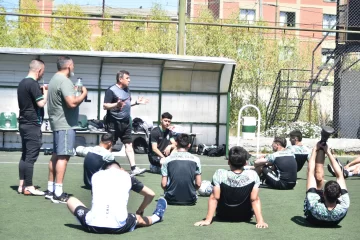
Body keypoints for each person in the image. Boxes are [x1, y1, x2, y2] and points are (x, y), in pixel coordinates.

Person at [67, 161, 167, 234]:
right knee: (139, 219)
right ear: (121, 169)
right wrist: (140, 210)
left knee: (71, 200)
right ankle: (157, 216)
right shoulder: (127, 176)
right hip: (118, 227)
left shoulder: (96, 175)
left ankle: (93, 215)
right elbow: (150, 194)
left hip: (92, 225)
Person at [45, 56, 88, 203]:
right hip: (65, 125)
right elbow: (71, 103)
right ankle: (58, 192)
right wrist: (83, 94)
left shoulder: (54, 79)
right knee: (63, 157)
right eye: (73, 65)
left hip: (58, 123)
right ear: (69, 66)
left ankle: (50, 189)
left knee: (56, 156)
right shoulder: (64, 81)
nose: (74, 68)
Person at [194, 146, 268, 228]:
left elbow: (214, 198)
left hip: (222, 216)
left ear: (228, 162)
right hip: (245, 217)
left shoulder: (220, 173)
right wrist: (260, 221)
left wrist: (207, 220)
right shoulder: (253, 175)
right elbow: (254, 199)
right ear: (245, 163)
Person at [103, 70, 148, 176]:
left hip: (126, 122)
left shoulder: (127, 90)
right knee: (110, 145)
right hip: (113, 122)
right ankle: (107, 168)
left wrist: (137, 102)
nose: (129, 80)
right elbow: (105, 105)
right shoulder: (111, 90)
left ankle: (134, 168)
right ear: (120, 79)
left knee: (129, 144)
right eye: (127, 78)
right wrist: (116, 105)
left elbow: (126, 104)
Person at [17, 59, 47, 195]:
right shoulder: (33, 84)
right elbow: (40, 104)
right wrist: (45, 92)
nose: (42, 75)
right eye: (43, 72)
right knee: (31, 156)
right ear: (39, 70)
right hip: (32, 124)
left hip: (23, 123)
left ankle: (22, 185)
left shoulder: (22, 83)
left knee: (24, 155)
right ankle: (29, 186)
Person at [304, 142, 350, 226]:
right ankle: (323, 145)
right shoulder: (344, 205)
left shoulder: (314, 204)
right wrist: (328, 152)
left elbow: (310, 172)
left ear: (323, 193)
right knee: (318, 177)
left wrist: (314, 150)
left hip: (313, 219)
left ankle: (321, 146)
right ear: (339, 195)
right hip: (334, 221)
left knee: (314, 181)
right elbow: (340, 175)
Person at [161, 133, 201, 205]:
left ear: (176, 143)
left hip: (170, 199)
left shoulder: (167, 160)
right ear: (189, 145)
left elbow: (163, 184)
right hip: (191, 200)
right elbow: (198, 184)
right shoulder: (196, 159)